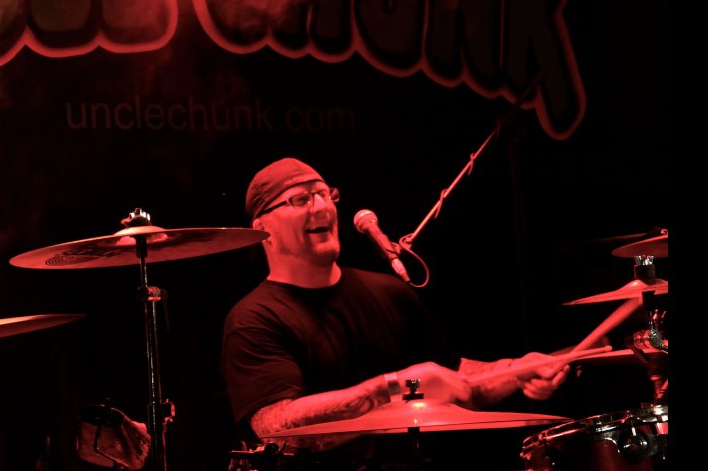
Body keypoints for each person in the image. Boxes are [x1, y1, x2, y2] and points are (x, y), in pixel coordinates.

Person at [220, 157, 569, 469]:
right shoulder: (254, 319)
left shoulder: (388, 292)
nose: (322, 206)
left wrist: (515, 370)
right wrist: (397, 386)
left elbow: (452, 377)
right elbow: (275, 428)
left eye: (325, 194)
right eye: (301, 199)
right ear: (264, 231)